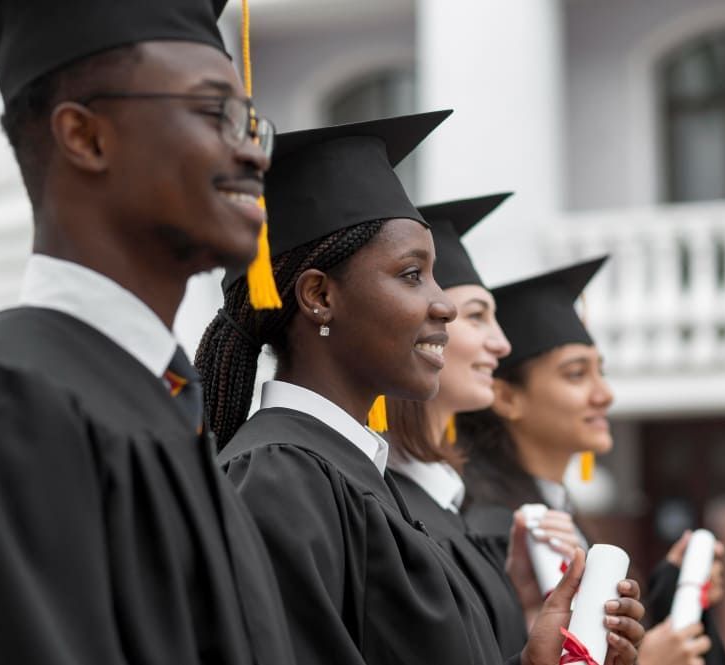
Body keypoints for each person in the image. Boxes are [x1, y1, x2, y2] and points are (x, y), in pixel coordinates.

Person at [0, 1, 293, 663]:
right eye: (213, 112)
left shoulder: (169, 409)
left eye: (251, 122)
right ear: (86, 137)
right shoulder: (6, 414)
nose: (252, 151)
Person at [196, 114, 645, 665]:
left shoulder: (354, 475)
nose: (445, 305)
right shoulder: (279, 477)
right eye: (412, 275)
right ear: (319, 296)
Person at [458, 257, 725, 665]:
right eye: (575, 375)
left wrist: (671, 588)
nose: (604, 394)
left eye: (599, 372)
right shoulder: (494, 531)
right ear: (508, 397)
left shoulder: (558, 511)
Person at [385, 193, 582, 658]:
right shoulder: (379, 500)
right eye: (476, 316)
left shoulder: (450, 500)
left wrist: (527, 609)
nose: (502, 343)